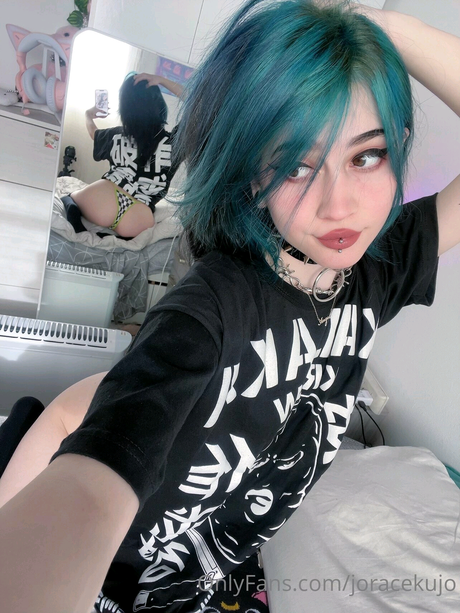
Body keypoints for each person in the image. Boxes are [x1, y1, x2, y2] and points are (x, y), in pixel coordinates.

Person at [0, 1, 459, 612]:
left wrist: (369, 26)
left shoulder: (380, 270)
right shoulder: (211, 309)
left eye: (365, 156)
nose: (339, 205)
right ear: (252, 179)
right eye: (296, 166)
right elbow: (98, 466)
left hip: (212, 580)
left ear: (396, 148)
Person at [63, 72, 183, 239]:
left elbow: (93, 133)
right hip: (139, 214)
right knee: (137, 230)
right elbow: (200, 104)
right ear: (159, 105)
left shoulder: (117, 135)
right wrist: (162, 80)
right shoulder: (175, 143)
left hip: (102, 197)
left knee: (69, 198)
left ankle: (78, 217)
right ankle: (118, 237)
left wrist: (88, 114)